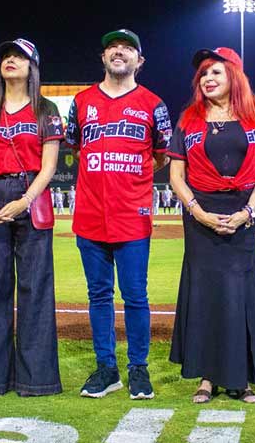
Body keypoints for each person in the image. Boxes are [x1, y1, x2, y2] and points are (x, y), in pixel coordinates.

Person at [65, 29, 172, 400]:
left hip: (132, 213)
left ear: (139, 61)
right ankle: (106, 368)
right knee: (98, 295)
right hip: (91, 214)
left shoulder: (153, 104)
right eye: (112, 47)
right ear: (103, 57)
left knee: (136, 295)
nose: (119, 52)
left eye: (127, 48)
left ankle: (138, 369)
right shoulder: (81, 102)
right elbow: (77, 149)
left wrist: (129, 177)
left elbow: (160, 154)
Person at [167, 47, 255, 404]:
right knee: (204, 294)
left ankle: (241, 379)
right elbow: (176, 176)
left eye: (215, 72)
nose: (208, 79)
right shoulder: (188, 120)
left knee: (238, 294)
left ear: (234, 75)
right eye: (203, 74)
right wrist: (197, 211)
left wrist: (248, 211)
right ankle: (207, 377)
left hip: (243, 213)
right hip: (201, 213)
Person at [0, 38, 63, 397]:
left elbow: (50, 165)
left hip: (30, 198)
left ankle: (37, 381)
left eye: (19, 56)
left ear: (32, 66)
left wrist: (25, 199)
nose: (10, 60)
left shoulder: (46, 108)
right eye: (6, 55)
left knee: (36, 288)